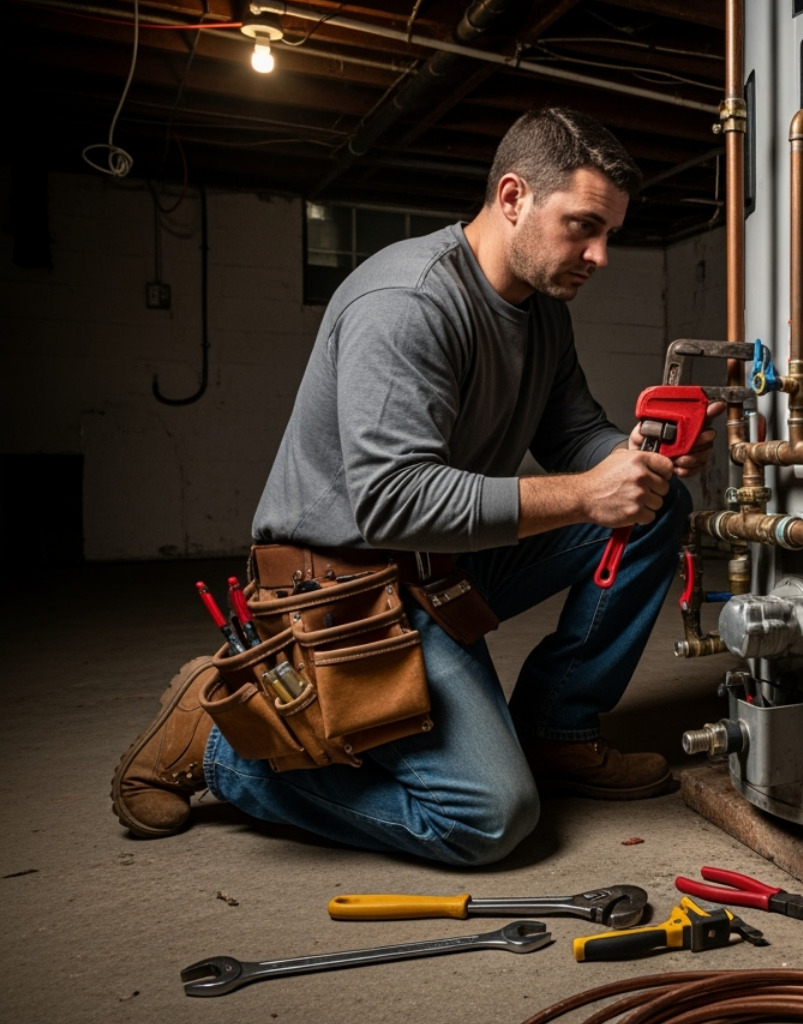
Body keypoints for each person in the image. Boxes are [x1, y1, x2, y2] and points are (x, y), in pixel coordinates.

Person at [111, 107, 717, 866]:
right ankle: (225, 746)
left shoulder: (541, 312)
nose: (599, 255)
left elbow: (574, 438)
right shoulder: (407, 303)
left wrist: (638, 459)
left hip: (437, 564)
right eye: (583, 226)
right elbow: (395, 501)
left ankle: (557, 731)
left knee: (658, 509)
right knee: (490, 820)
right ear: (512, 198)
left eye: (610, 234)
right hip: (343, 589)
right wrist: (589, 493)